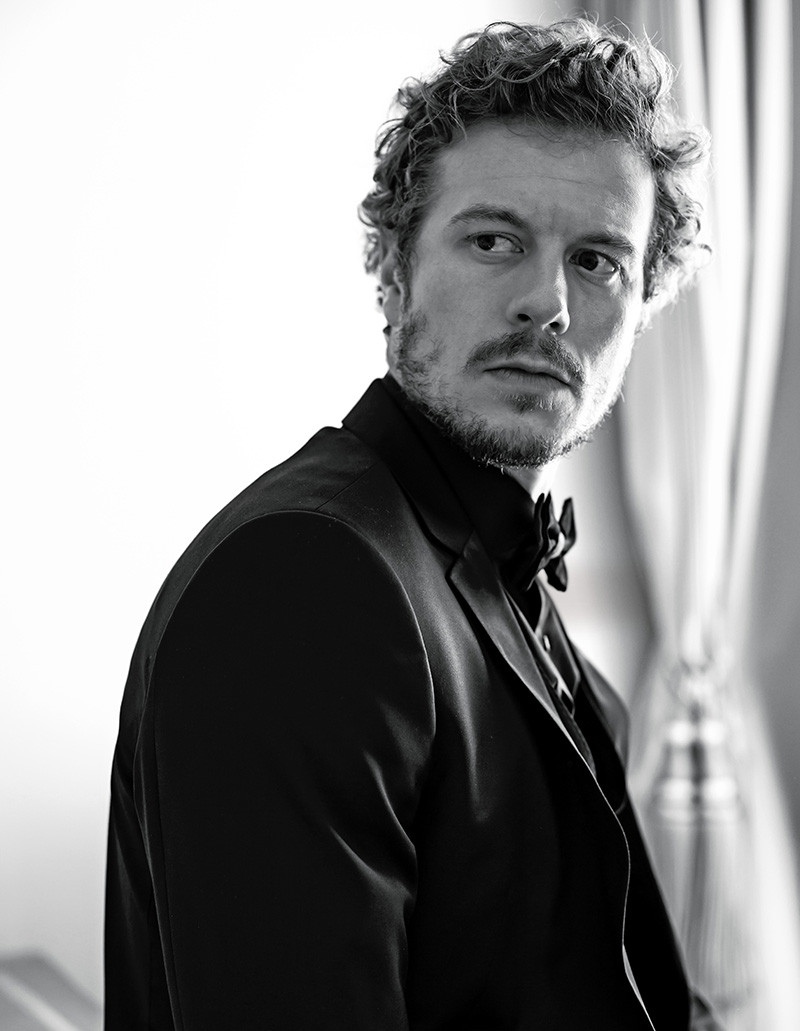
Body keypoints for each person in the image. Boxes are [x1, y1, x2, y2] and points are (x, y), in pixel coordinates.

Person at [105, 18, 721, 1030]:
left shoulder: (486, 564)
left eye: (597, 261)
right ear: (392, 271)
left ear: (642, 306)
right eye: (493, 241)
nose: (546, 304)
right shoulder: (304, 577)